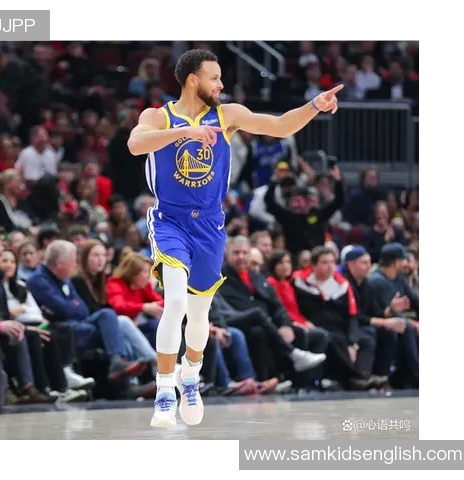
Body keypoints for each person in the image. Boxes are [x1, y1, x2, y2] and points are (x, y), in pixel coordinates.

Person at [127, 48, 343, 428]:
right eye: (214, 77)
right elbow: (136, 144)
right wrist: (186, 132)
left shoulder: (227, 115)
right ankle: (164, 391)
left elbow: (280, 125)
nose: (221, 84)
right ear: (193, 79)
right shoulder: (158, 116)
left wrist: (314, 106)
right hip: (170, 221)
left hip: (209, 225)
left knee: (199, 313)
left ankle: (190, 377)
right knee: (174, 301)